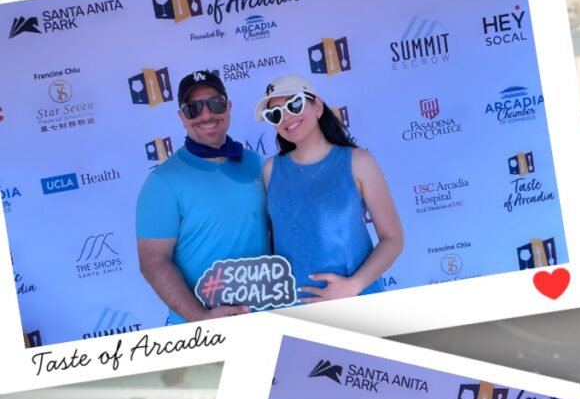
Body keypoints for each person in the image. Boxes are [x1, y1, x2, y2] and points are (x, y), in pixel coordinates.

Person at [255, 73, 403, 302]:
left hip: (358, 307)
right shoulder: (270, 171)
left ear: (318, 106)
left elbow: (393, 238)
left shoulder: (359, 161)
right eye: (275, 114)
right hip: (295, 315)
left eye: (294, 105)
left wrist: (353, 286)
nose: (286, 117)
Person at [136, 69, 269, 325]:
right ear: (181, 116)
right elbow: (153, 261)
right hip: (201, 328)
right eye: (193, 108)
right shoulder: (162, 181)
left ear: (228, 107)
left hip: (261, 318)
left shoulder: (254, 163)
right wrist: (202, 318)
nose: (206, 115)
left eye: (215, 104)